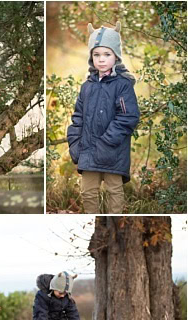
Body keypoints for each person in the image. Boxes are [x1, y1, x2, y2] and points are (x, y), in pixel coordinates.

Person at [66, 23, 139, 214]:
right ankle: (93, 220)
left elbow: (128, 117)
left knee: (114, 190)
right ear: (91, 57)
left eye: (107, 54)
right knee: (88, 192)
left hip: (112, 151)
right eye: (96, 55)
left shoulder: (122, 85)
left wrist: (106, 142)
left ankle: (114, 225)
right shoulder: (87, 86)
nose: (101, 60)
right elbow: (78, 118)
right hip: (88, 151)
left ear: (116, 56)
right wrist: (75, 144)